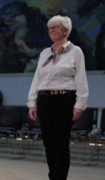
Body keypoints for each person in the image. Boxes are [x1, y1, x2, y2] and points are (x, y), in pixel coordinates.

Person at [27, 15, 89, 180]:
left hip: (64, 100)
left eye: (56, 27)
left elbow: (81, 80)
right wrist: (32, 103)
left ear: (66, 31)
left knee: (61, 144)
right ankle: (52, 176)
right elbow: (37, 79)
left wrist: (79, 104)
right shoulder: (45, 53)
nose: (52, 30)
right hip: (44, 100)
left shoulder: (75, 52)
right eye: (50, 28)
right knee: (49, 144)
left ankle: (59, 178)